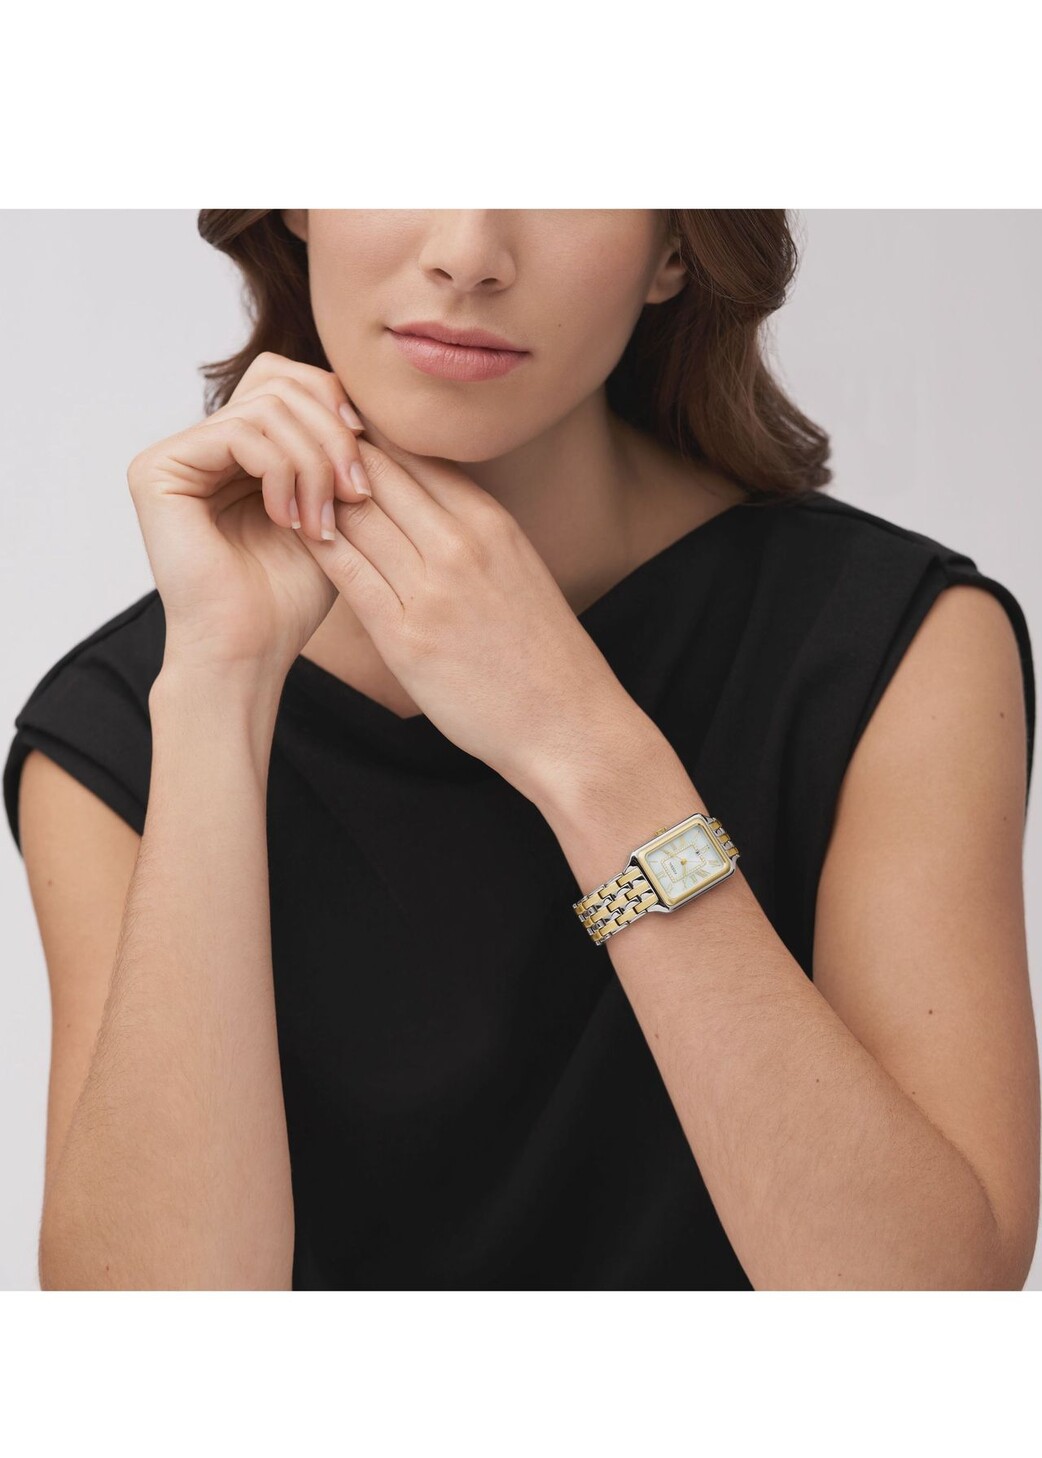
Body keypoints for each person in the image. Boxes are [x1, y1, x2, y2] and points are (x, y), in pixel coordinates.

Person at [4, 209, 1037, 1290]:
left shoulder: (890, 646)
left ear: (675, 248)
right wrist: (219, 689)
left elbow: (930, 1306)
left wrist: (581, 744)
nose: (467, 253)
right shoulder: (115, 727)